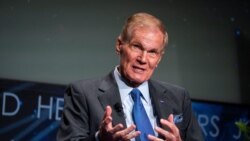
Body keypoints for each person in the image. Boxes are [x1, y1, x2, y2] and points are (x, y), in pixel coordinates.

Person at [57, 12, 204, 141]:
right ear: (119, 45)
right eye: (137, 47)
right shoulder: (83, 93)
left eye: (152, 52)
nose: (143, 59)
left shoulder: (178, 98)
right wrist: (100, 139)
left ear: (159, 58)